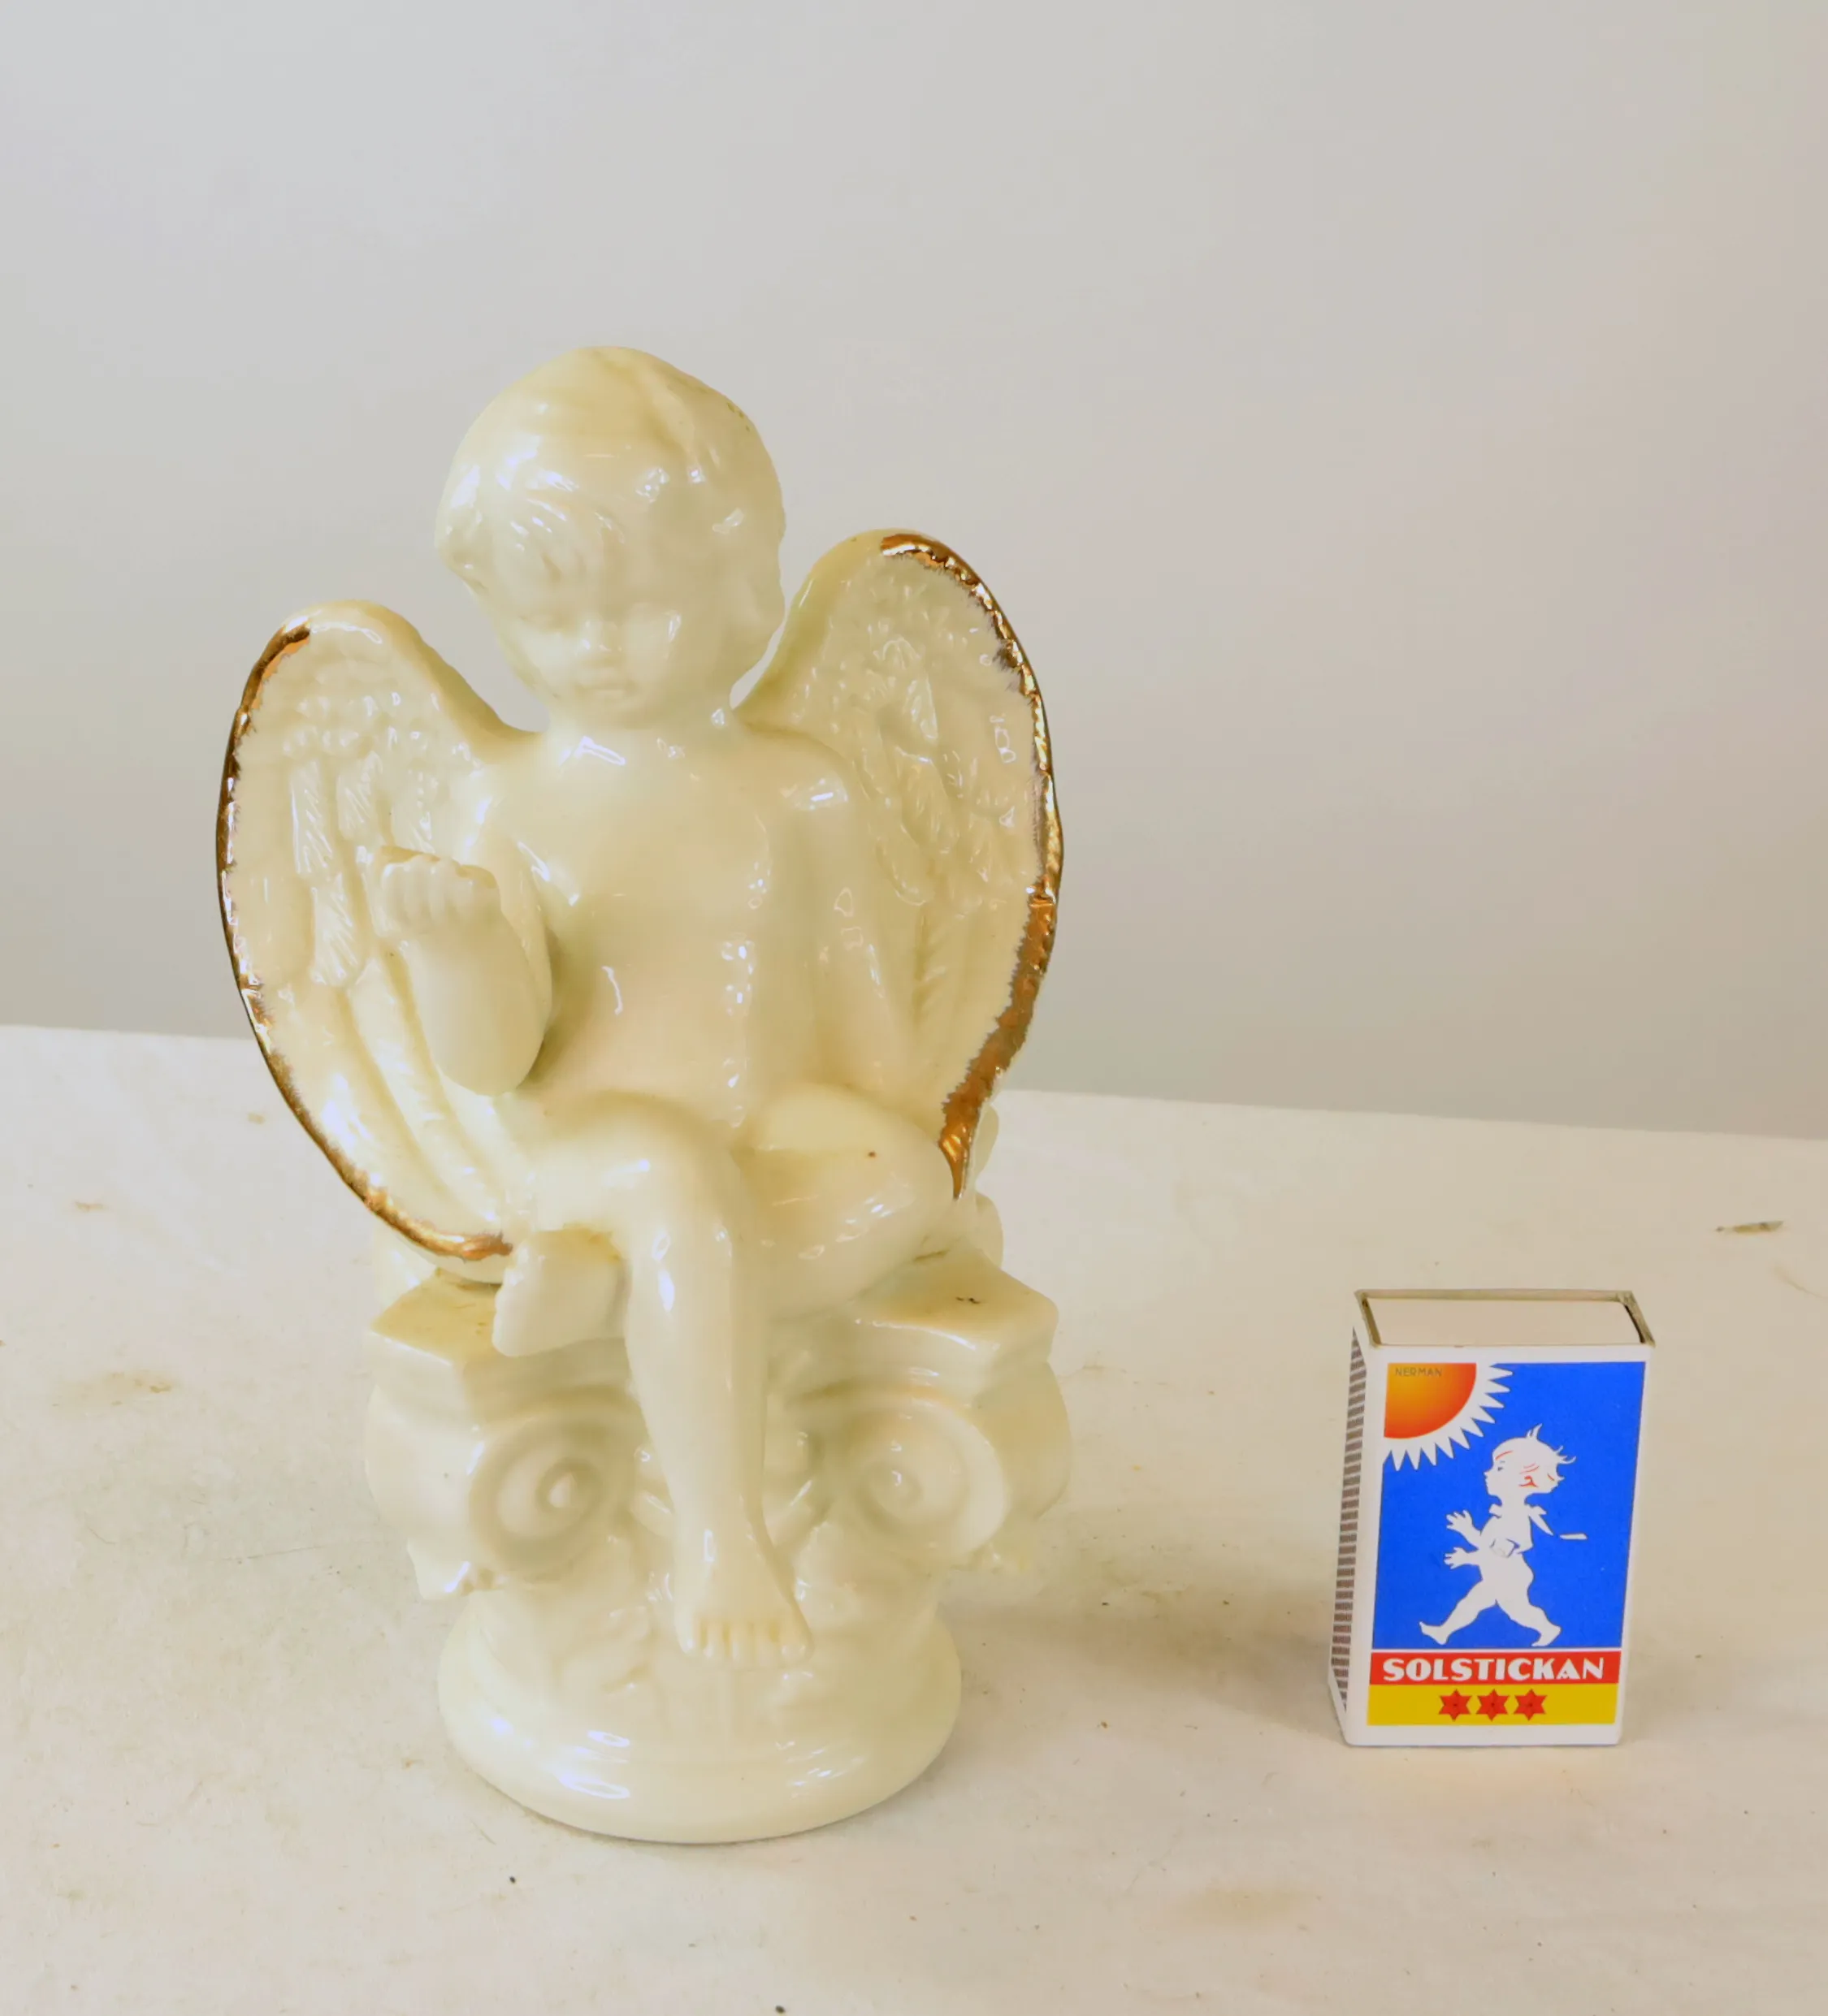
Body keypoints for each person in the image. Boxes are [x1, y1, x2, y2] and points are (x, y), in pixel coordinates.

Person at [370, 350, 955, 1666]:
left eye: (640, 606)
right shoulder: (512, 801)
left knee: (900, 1175)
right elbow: (493, 1058)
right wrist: (459, 952)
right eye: (549, 617)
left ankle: (626, 1289)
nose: (596, 647)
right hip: (590, 1142)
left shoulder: (799, 788)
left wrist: (915, 1148)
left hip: (766, 1123)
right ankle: (720, 1537)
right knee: (673, 1175)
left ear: (740, 582)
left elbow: (865, 1010)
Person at [1420, 1429, 1572, 1647]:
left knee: (1518, 1611)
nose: (1487, 1473)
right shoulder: (1503, 1514)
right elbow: (1489, 1546)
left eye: (1499, 1468)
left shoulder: (1516, 1518)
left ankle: (1548, 1629)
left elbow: (1498, 1553)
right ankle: (1443, 1632)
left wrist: (1468, 1554)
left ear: (1525, 1480)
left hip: (1510, 1578)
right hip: (1497, 1575)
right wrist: (1468, 1534)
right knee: (1471, 1603)